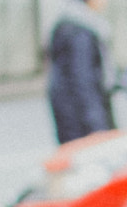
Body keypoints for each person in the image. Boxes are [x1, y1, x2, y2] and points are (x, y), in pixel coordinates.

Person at [47, 0, 116, 145]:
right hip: (80, 121)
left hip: (70, 116)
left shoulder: (71, 23)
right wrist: (98, 127)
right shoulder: (80, 31)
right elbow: (83, 81)